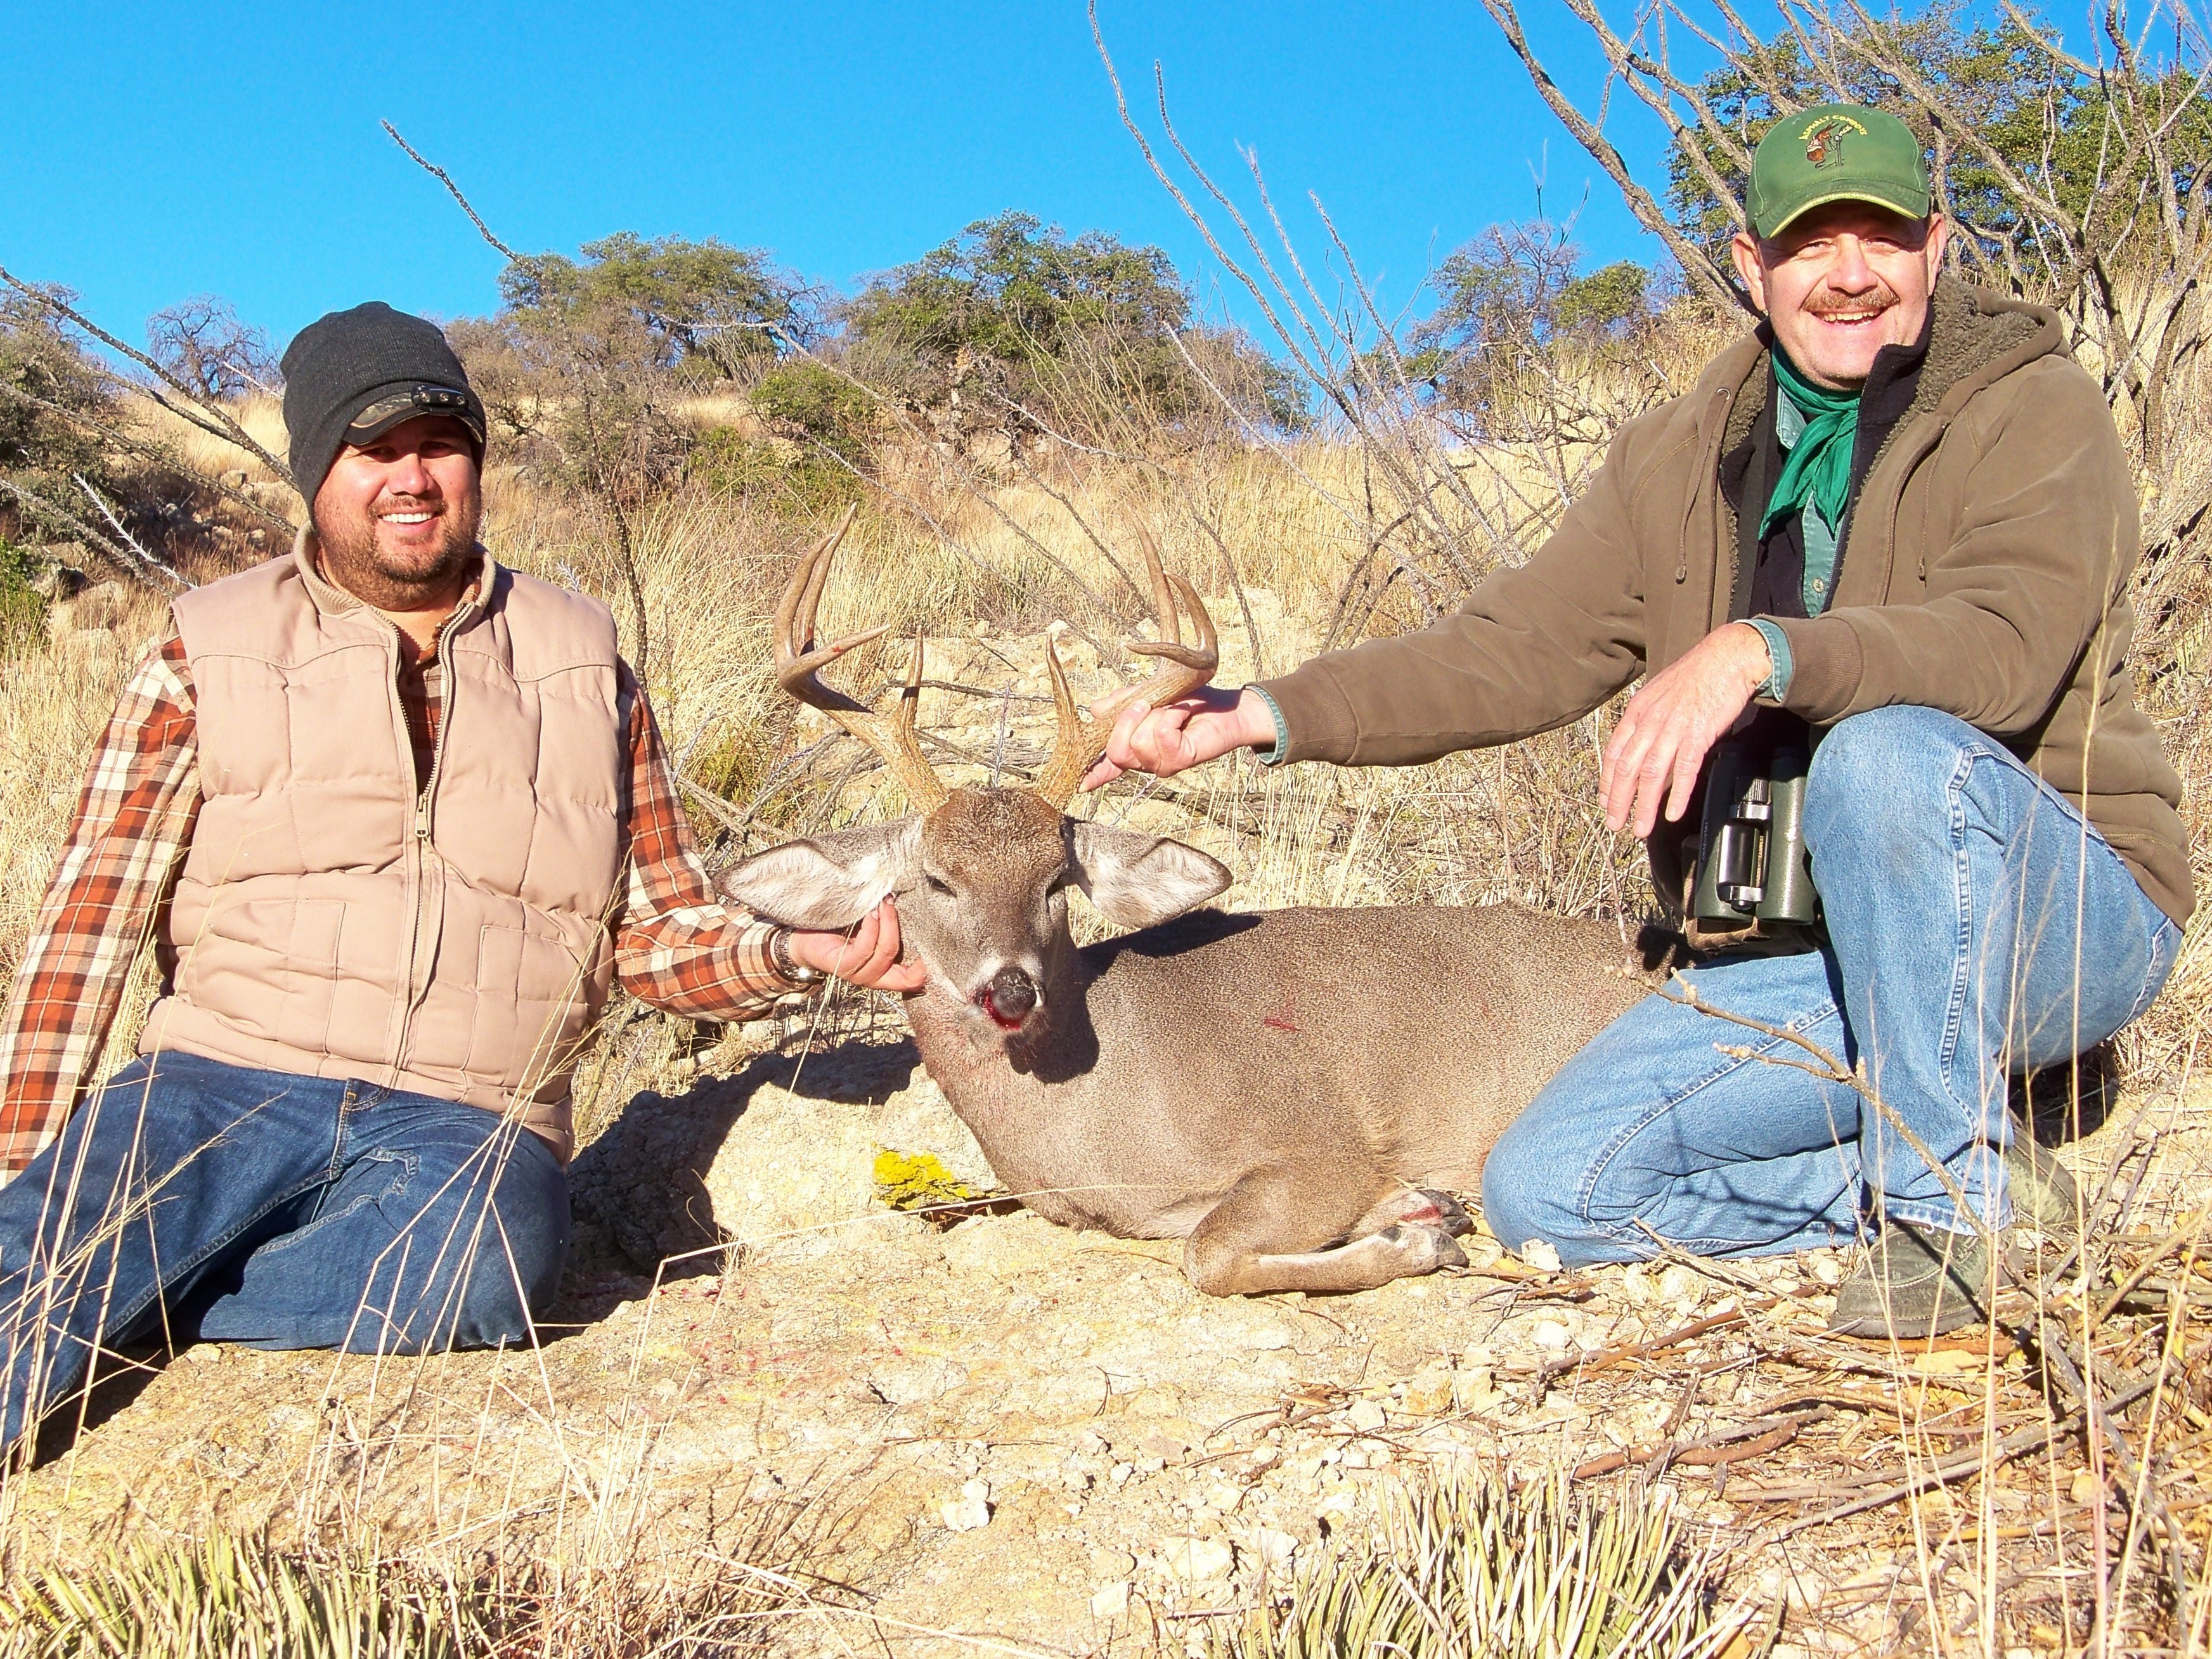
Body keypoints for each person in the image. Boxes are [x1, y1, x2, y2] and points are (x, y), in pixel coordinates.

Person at [1084, 106, 2190, 1338]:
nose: (1846, 273)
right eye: (1806, 242)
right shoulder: (1677, 460)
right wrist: (1259, 712)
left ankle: (1949, 1217)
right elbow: (1505, 652)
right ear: (1747, 265)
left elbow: (2002, 643)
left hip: (2052, 917)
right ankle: (1988, 1176)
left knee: (1882, 757)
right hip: (1822, 959)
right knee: (1549, 1193)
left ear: (1932, 245)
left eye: (1877, 234)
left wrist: (1761, 650)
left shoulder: (2028, 409)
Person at [0, 302, 922, 1452]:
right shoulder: (206, 648)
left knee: (497, 1270)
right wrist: (24, 1176)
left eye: (439, 442)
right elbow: (87, 926)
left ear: (476, 463)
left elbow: (657, 930)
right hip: (219, 1079)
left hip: (466, 1125)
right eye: (372, 449)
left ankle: (146, 1300)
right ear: (316, 473)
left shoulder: (588, 663)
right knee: (37, 1270)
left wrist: (790, 953)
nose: (412, 477)